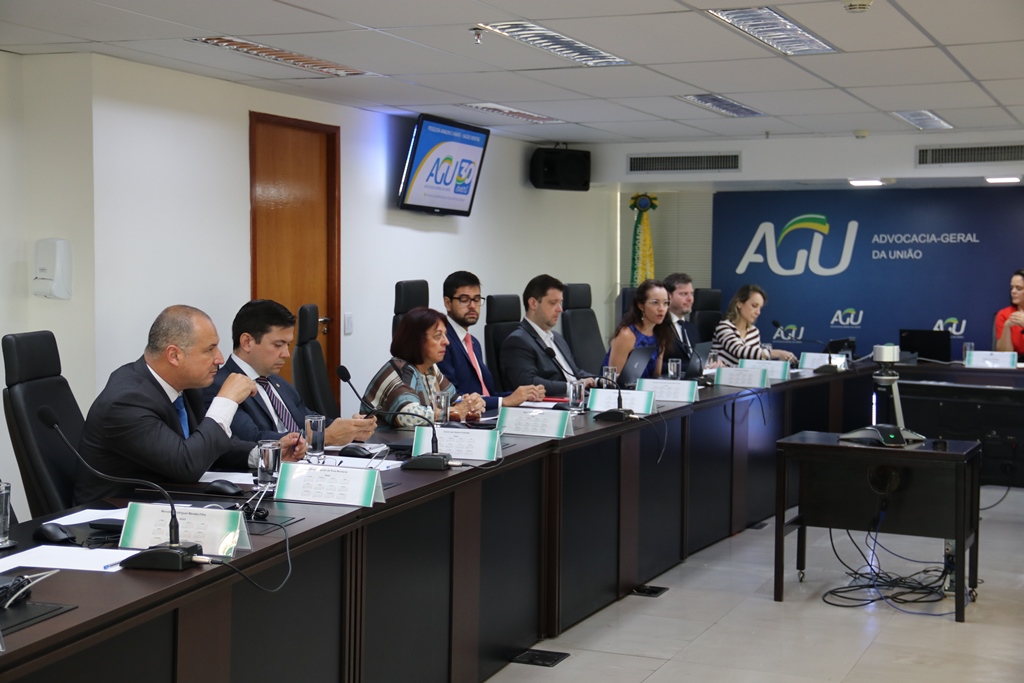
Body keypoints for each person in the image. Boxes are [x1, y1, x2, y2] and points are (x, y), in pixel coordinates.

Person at [74, 305, 303, 505]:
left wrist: (265, 455)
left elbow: (207, 445)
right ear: (174, 355)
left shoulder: (187, 387)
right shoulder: (127, 400)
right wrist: (226, 401)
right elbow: (186, 465)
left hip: (169, 502)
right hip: (114, 518)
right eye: (209, 349)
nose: (220, 358)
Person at [203, 299, 376, 447]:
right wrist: (323, 437)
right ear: (247, 342)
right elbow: (252, 440)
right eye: (278, 345)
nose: (286, 354)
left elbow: (311, 421)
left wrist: (352, 428)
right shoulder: (220, 387)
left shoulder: (277, 382)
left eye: (288, 344)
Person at [436, 271, 546, 409]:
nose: (472, 306)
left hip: (487, 413)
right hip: (468, 419)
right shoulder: (442, 342)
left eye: (477, 299)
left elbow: (488, 394)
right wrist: (504, 401)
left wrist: (524, 395)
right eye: (464, 299)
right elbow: (452, 398)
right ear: (447, 303)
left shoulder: (473, 343)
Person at [363, 307, 486, 428]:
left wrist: (471, 404)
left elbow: (455, 401)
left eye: (445, 335)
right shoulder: (401, 370)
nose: (446, 342)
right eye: (438, 336)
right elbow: (407, 415)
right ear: (417, 340)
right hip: (381, 440)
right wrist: (454, 412)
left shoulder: (431, 368)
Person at [500, 274, 596, 396]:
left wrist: (599, 380)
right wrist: (573, 386)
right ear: (533, 303)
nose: (560, 309)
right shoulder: (518, 341)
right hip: (554, 404)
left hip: (577, 398)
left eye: (560, 302)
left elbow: (574, 373)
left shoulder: (557, 338)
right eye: (553, 303)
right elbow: (528, 382)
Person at [603, 279, 674, 379]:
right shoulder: (626, 335)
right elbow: (613, 380)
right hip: (621, 388)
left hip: (646, 387)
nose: (661, 308)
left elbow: (656, 376)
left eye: (665, 303)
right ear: (641, 305)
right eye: (655, 302)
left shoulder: (660, 333)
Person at [711, 284, 796, 367]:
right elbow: (738, 350)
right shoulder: (724, 327)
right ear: (739, 303)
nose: (758, 312)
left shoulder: (754, 331)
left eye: (760, 308)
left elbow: (755, 359)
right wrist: (777, 353)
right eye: (754, 306)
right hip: (723, 375)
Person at [661, 273, 699, 367]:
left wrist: (709, 361)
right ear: (668, 296)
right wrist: (688, 367)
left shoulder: (691, 327)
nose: (690, 299)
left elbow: (697, 359)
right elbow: (653, 365)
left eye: (691, 294)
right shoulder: (659, 326)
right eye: (684, 294)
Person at [994, 269, 1024, 354]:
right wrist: (1007, 326)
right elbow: (1004, 354)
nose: (1013, 291)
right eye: (1012, 288)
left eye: (1019, 288)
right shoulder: (1004, 314)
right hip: (1015, 361)